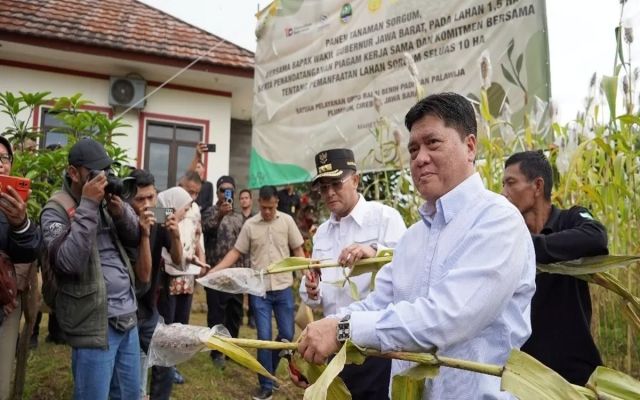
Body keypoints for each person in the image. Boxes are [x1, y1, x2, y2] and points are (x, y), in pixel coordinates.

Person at [295, 93, 537, 399]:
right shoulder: (413, 238)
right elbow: (378, 303)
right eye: (413, 149)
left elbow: (446, 318)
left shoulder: (498, 221)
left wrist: (343, 329)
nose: (420, 158)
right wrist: (322, 330)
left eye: (432, 143)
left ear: (470, 146)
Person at [300, 148, 406, 399]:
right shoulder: (322, 232)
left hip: (373, 347)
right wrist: (312, 289)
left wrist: (375, 251)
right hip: (334, 346)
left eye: (336, 184)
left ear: (356, 180)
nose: (329, 193)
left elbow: (407, 271)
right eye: (323, 188)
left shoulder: (385, 218)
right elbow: (314, 294)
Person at [40, 137, 140, 400]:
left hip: (128, 314)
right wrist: (88, 205)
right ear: (73, 173)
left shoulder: (107, 200)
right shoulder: (56, 209)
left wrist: (121, 214)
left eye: (106, 170)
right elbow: (68, 262)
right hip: (93, 322)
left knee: (129, 395)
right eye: (95, 172)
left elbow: (135, 238)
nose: (103, 178)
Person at [502, 150, 607, 385]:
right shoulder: (508, 234)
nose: (503, 193)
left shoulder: (571, 219)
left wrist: (530, 247)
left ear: (537, 186)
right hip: (525, 373)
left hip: (575, 373)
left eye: (511, 183)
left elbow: (596, 237)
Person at [207, 185, 305, 400]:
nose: (267, 211)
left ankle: (268, 369)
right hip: (259, 291)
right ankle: (266, 385)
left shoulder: (287, 221)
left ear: (276, 203)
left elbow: (298, 249)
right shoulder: (250, 225)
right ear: (259, 202)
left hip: (283, 288)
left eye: (271, 207)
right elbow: (236, 252)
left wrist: (308, 273)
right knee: (263, 338)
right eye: (264, 207)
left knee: (287, 335)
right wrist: (215, 270)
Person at [126, 169, 182, 400]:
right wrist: (144, 234)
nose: (147, 204)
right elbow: (143, 276)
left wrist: (176, 235)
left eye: (151, 197)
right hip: (124, 311)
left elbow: (178, 261)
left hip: (148, 309)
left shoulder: (159, 216)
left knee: (166, 359)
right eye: (140, 199)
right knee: (128, 375)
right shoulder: (123, 221)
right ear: (129, 200)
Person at [0, 135, 41, 400]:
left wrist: (21, 224)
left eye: (4, 158)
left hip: (4, 304)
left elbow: (30, 250)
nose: (0, 164)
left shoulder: (13, 206)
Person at [156, 184, 207, 385]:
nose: (187, 210)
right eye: (184, 207)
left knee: (181, 323)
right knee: (168, 324)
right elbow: (168, 250)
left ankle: (172, 367)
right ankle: (163, 368)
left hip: (187, 274)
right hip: (168, 277)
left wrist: (195, 257)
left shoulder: (191, 214)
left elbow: (196, 238)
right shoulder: (160, 218)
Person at [202, 177, 250, 368]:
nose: (225, 193)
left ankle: (232, 349)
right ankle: (216, 352)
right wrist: (220, 215)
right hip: (215, 272)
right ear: (217, 192)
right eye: (222, 190)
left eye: (229, 190)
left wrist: (247, 272)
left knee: (234, 314)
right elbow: (206, 230)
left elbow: (245, 246)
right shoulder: (209, 212)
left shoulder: (239, 217)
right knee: (216, 314)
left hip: (236, 273)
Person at [238, 188, 256, 328]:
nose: (244, 200)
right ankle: (238, 316)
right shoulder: (236, 218)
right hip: (239, 257)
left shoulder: (256, 219)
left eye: (246, 198)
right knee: (239, 288)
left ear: (251, 200)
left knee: (252, 289)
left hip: (253, 257)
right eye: (242, 198)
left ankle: (252, 317)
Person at [188, 143, 214, 213]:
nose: (197, 170)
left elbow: (209, 202)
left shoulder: (208, 185)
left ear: (203, 169)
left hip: (205, 213)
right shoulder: (191, 184)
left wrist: (200, 207)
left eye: (199, 167)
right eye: (195, 168)